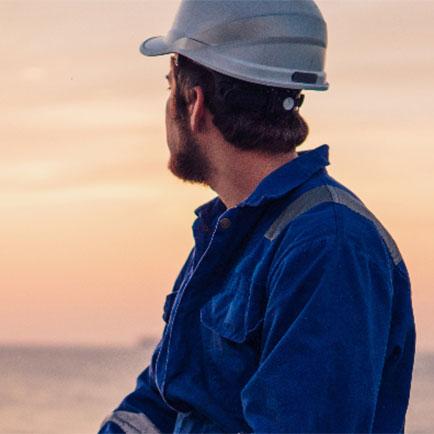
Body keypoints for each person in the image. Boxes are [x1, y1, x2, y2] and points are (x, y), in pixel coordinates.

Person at [99, 1, 416, 433]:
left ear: (194, 102)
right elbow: (160, 400)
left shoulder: (328, 245)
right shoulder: (231, 233)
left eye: (168, 83)